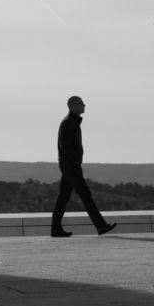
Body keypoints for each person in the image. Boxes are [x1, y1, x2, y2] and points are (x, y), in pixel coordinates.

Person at [51, 96, 117, 237]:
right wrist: (75, 161)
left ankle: (55, 229)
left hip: (69, 165)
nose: (84, 106)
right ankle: (101, 226)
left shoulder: (72, 122)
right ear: (73, 106)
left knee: (63, 197)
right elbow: (66, 147)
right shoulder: (68, 123)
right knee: (85, 195)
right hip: (71, 166)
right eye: (81, 104)